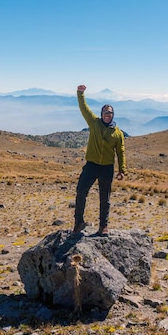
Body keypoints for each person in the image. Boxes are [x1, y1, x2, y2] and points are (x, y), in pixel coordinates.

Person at [73, 84, 127, 236]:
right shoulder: (94, 123)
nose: (107, 115)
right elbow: (84, 108)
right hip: (91, 166)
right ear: (101, 114)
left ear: (112, 115)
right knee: (81, 192)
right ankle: (78, 222)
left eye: (109, 113)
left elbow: (120, 151)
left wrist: (122, 170)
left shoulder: (117, 133)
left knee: (105, 199)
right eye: (105, 113)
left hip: (107, 168)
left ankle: (103, 226)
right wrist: (80, 93)